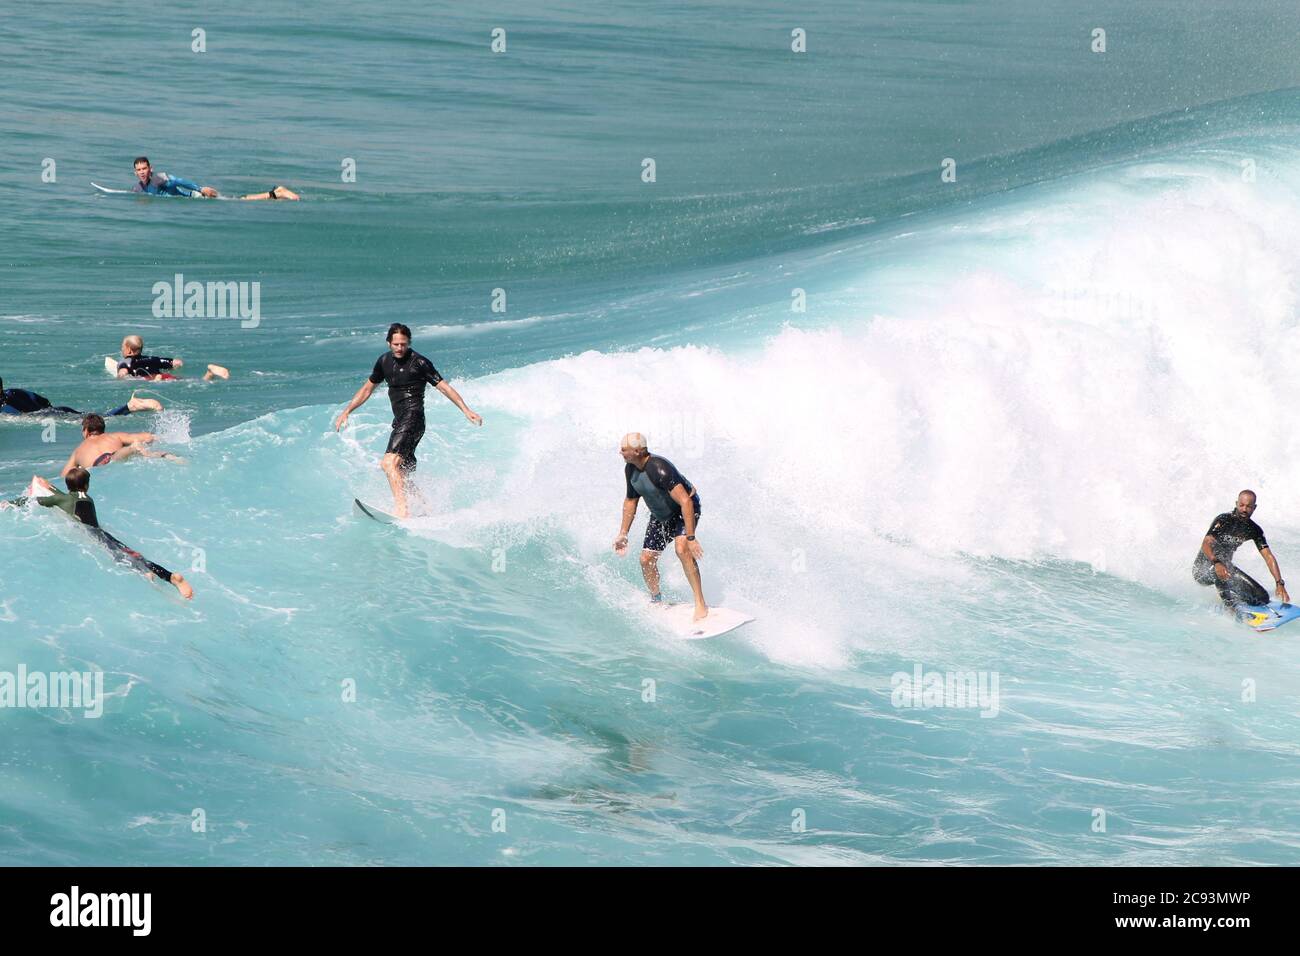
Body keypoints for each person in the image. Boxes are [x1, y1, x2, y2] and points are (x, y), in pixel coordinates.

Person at [334, 323, 483, 518]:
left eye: (403, 344)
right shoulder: (384, 362)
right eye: (396, 344)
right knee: (401, 473)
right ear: (389, 343)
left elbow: (444, 387)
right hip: (401, 421)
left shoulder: (420, 362)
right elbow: (366, 389)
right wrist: (347, 411)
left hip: (413, 418)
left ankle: (402, 510)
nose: (399, 348)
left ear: (409, 343)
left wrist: (466, 409)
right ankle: (427, 509)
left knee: (388, 463)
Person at [2, 470, 193, 599]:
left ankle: (146, 574)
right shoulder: (87, 497)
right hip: (105, 534)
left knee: (120, 559)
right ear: (86, 485)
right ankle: (169, 576)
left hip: (94, 536)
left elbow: (35, 501)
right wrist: (50, 486)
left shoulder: (62, 498)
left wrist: (10, 502)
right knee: (134, 554)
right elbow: (68, 496)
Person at [613, 432, 708, 621]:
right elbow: (631, 501)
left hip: (684, 511)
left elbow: (686, 502)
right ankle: (656, 600)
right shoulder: (630, 470)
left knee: (682, 550)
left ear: (638, 451)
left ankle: (700, 604)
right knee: (646, 559)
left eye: (625, 450)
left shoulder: (659, 468)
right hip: (660, 516)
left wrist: (690, 537)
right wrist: (623, 533)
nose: (620, 453)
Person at [1194, 489, 1290, 610]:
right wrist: (1216, 562)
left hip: (1226, 569)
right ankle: (1231, 608)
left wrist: (1279, 583)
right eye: (1242, 505)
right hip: (1203, 570)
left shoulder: (1254, 529)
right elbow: (1206, 543)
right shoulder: (1223, 520)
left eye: (1249, 506)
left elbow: (1268, 556)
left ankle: (1236, 598)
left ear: (1254, 508)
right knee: (1222, 572)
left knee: (1262, 598)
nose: (1244, 509)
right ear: (1236, 504)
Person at [60, 414, 183, 475]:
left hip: (99, 466)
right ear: (102, 428)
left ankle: (133, 449)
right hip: (114, 456)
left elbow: (64, 474)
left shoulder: (78, 451)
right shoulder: (114, 436)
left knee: (115, 458)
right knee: (126, 454)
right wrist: (159, 437)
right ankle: (168, 456)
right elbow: (147, 437)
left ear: (85, 431)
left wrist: (80, 467)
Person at [131, 156, 299, 200]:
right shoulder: (138, 189)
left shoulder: (159, 178)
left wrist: (200, 188)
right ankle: (275, 194)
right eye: (139, 170)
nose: (142, 171)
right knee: (239, 199)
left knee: (240, 200)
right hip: (192, 201)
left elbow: (178, 181)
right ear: (135, 172)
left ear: (150, 168)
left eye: (144, 168)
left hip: (197, 198)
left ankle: (277, 192)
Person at [1, 375, 161, 416]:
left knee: (101, 418)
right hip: (59, 410)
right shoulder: (13, 392)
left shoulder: (4, 409)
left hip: (54, 417)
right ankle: (129, 406)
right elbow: (43, 401)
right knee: (96, 416)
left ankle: (129, 406)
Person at [116, 335, 229, 382]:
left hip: (152, 380)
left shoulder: (125, 361)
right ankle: (210, 372)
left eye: (122, 347)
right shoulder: (153, 358)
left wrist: (119, 378)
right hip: (168, 377)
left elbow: (123, 373)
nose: (121, 349)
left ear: (129, 350)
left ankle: (210, 373)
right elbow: (176, 363)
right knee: (198, 381)